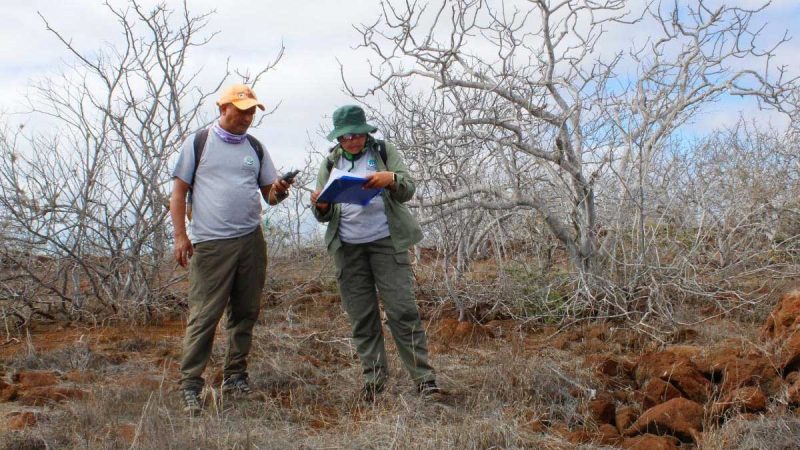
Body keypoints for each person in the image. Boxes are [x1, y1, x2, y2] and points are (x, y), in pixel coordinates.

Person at [169, 84, 291, 415]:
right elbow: (178, 193)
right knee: (205, 315)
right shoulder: (200, 142)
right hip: (211, 243)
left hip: (251, 240)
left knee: (245, 311)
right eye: (241, 110)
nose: (247, 117)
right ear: (223, 108)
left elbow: (269, 196)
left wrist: (280, 190)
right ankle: (191, 385)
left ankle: (235, 377)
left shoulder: (255, 147)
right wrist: (181, 236)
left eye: (252, 111)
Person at [311, 105, 439, 401]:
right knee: (362, 316)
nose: (353, 140)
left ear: (366, 131)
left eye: (357, 134)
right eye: (346, 137)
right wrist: (321, 205)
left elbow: (408, 189)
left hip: (386, 242)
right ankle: (374, 380)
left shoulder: (383, 151)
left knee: (402, 310)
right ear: (338, 139)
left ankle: (424, 379)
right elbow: (322, 212)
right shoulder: (330, 163)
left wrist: (390, 179)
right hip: (347, 248)